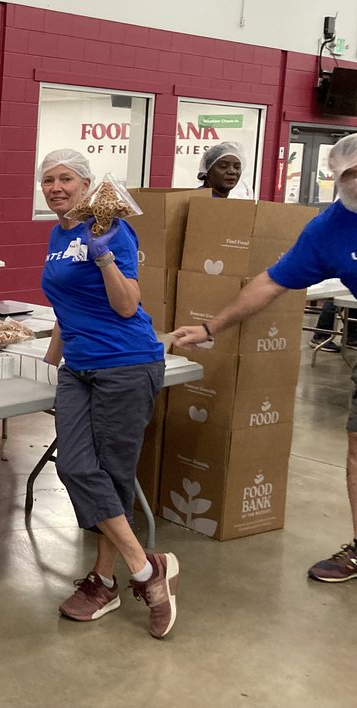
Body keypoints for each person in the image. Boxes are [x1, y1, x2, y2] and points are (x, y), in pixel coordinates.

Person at [173, 131, 357, 584]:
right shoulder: (327, 229)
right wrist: (210, 326)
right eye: (352, 173)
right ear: (337, 178)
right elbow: (270, 282)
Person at [37, 149, 179, 639]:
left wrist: (103, 259)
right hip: (78, 368)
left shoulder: (110, 227)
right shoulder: (57, 234)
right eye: (47, 180)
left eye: (66, 179)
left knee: (113, 473)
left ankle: (104, 580)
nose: (55, 187)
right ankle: (147, 569)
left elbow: (126, 305)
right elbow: (63, 307)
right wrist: (44, 365)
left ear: (86, 184)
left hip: (125, 363)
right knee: (76, 465)